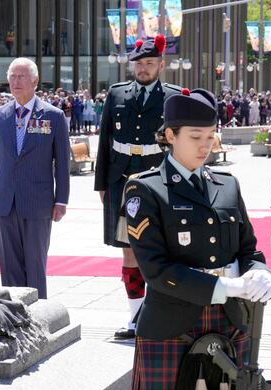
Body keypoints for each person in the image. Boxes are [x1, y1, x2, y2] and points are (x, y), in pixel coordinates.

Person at [123, 88, 271, 390]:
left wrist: (259, 271)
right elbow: (156, 269)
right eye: (195, 136)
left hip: (225, 332)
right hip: (172, 329)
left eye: (211, 135)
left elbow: (249, 245)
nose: (206, 144)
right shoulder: (144, 190)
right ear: (169, 136)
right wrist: (223, 285)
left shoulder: (226, 185)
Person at [94, 34, 180, 339]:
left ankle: (157, 313)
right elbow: (104, 141)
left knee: (157, 249)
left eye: (149, 63)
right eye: (139, 63)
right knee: (128, 251)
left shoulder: (173, 98)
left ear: (161, 64)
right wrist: (101, 184)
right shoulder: (116, 95)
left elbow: (179, 146)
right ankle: (134, 318)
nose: (143, 68)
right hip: (122, 181)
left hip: (158, 180)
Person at [0, 58, 70, 299]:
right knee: (9, 267)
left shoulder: (53, 116)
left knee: (34, 265)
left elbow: (62, 162)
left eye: (21, 76)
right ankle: (13, 317)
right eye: (12, 76)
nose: (15, 81)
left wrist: (61, 200)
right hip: (5, 202)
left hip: (37, 202)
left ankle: (37, 316)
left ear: (34, 81)